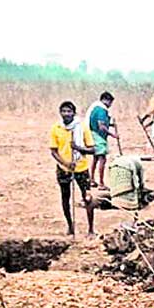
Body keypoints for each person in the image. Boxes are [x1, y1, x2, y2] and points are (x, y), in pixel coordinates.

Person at [49, 101, 96, 236]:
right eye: (64, 111)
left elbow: (92, 149)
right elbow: (53, 151)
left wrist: (78, 148)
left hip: (81, 167)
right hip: (63, 169)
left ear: (74, 113)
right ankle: (70, 226)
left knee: (88, 198)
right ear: (60, 113)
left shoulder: (82, 127)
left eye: (69, 111)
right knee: (65, 198)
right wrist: (65, 163)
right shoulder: (56, 128)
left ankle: (91, 229)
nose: (66, 114)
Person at [86, 92, 116, 187]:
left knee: (95, 158)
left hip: (94, 134)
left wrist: (111, 125)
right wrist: (113, 135)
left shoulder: (96, 108)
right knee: (102, 159)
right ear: (106, 100)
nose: (110, 105)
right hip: (98, 136)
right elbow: (101, 126)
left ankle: (91, 179)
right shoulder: (101, 110)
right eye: (110, 102)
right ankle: (101, 183)